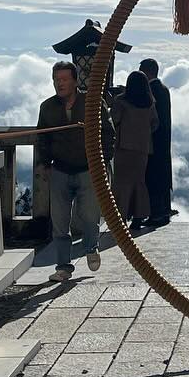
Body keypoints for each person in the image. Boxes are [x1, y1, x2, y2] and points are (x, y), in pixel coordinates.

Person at [35, 60, 114, 279]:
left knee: (89, 215)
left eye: (64, 80)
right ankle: (63, 267)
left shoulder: (93, 103)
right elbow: (42, 137)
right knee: (59, 221)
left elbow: (108, 133)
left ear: (74, 81)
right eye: (56, 80)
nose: (59, 84)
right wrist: (44, 163)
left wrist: (103, 161)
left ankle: (91, 248)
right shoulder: (47, 107)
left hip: (88, 169)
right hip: (60, 169)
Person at [110, 68, 158, 230]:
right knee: (139, 181)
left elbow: (114, 120)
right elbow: (155, 123)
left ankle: (120, 217)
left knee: (121, 182)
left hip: (124, 147)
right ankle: (139, 216)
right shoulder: (150, 103)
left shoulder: (121, 101)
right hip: (143, 148)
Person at [140, 57, 174, 227]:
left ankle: (156, 213)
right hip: (164, 140)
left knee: (153, 177)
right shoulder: (164, 89)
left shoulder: (150, 92)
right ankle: (164, 210)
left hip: (153, 141)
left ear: (146, 72)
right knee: (162, 176)